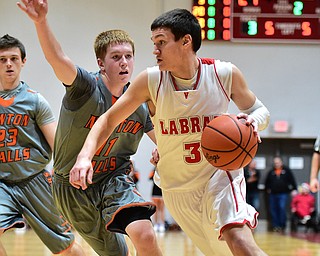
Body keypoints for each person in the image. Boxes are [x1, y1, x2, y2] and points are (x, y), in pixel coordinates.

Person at [70, 8, 270, 256]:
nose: (155, 50)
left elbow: (260, 111)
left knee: (240, 241)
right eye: (154, 43)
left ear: (186, 41)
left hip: (219, 178)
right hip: (177, 189)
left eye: (162, 42)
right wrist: (84, 156)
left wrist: (251, 121)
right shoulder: (151, 81)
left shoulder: (223, 74)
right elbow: (108, 119)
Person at [18, 1, 162, 256]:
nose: (124, 62)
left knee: (145, 234)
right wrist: (40, 22)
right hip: (72, 188)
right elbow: (57, 59)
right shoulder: (85, 87)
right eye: (116, 57)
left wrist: (164, 151)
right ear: (101, 62)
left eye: (128, 56)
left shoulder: (139, 102)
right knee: (117, 253)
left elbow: (164, 139)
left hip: (114, 180)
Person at [0, 34, 85, 255]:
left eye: (13, 58)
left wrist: (68, 178)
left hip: (34, 180)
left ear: (23, 62)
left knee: (65, 247)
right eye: (2, 59)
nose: (8, 64)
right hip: (3, 184)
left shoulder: (34, 100)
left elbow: (58, 144)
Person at [265, 156, 297, 232]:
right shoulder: (271, 172)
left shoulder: (286, 171)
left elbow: (292, 180)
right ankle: (276, 226)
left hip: (283, 194)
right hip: (273, 194)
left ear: (281, 162)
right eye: (275, 163)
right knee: (273, 210)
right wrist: (268, 189)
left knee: (281, 208)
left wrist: (294, 189)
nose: (276, 164)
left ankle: (282, 225)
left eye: (278, 162)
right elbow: (267, 182)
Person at [149, 168, 166, 233]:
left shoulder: (164, 171)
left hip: (162, 192)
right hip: (155, 192)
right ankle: (156, 224)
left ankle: (162, 224)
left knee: (162, 209)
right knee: (155, 209)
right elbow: (150, 178)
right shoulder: (153, 171)